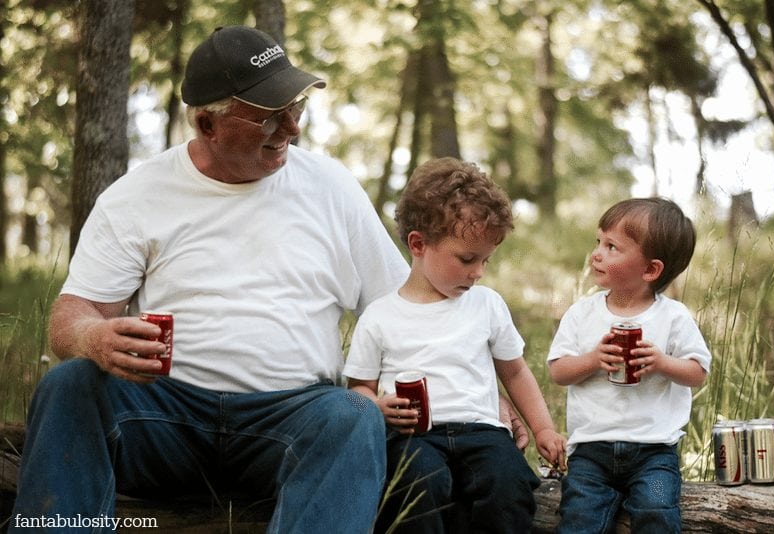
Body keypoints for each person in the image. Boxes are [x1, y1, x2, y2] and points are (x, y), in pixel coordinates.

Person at [10, 25, 412, 533]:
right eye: (270, 116)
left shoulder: (331, 188)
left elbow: (402, 310)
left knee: (353, 414)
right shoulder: (137, 196)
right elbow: (71, 316)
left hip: (290, 420)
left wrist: (489, 391)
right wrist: (94, 337)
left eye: (298, 108)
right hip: (163, 418)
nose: (293, 128)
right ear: (207, 123)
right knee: (70, 383)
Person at [344, 157, 567, 533]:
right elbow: (355, 391)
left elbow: (514, 371)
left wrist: (543, 428)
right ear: (419, 244)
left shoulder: (487, 305)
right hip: (414, 437)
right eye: (467, 259)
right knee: (416, 486)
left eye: (485, 260)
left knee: (507, 485)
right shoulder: (380, 316)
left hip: (482, 432)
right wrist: (377, 407)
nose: (478, 272)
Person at [547, 197, 712, 534]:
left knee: (657, 511)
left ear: (651, 270)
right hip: (591, 451)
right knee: (579, 519)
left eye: (612, 247)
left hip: (654, 452)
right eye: (598, 242)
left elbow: (698, 371)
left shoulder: (673, 316)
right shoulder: (582, 313)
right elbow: (558, 371)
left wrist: (663, 363)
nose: (597, 253)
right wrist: (593, 360)